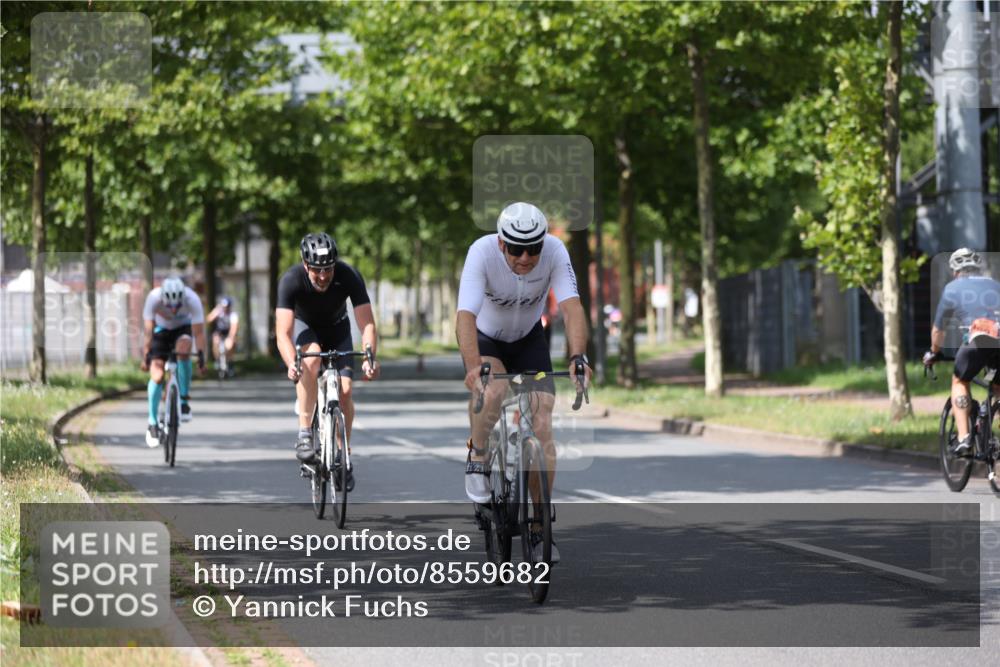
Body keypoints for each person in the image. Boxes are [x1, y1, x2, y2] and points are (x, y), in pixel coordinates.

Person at [456, 202, 592, 563]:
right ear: (502, 243)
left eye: (534, 248)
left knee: (542, 418)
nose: (526, 257)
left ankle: (538, 525)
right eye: (517, 249)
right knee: (495, 389)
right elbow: (465, 316)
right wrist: (473, 366)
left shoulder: (556, 252)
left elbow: (572, 307)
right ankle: (479, 456)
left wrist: (578, 356)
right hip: (487, 339)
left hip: (530, 339)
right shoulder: (481, 253)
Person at [275, 232, 380, 490]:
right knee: (309, 361)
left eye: (328, 270)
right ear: (305, 265)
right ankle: (304, 434)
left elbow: (366, 323)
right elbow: (282, 333)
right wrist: (292, 362)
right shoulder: (291, 280)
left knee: (345, 391)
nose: (323, 276)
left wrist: (369, 356)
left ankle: (343, 454)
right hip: (305, 328)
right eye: (317, 271)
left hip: (337, 329)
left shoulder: (349, 275)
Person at [923, 248, 1000, 455]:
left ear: (955, 271)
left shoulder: (952, 289)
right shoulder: (995, 285)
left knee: (960, 381)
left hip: (980, 339)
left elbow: (938, 330)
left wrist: (934, 352)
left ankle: (965, 438)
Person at [141, 276, 206, 447]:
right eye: (170, 306)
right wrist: (146, 355)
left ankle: (183, 400)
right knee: (157, 374)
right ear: (163, 299)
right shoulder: (153, 298)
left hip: (182, 329)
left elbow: (199, 333)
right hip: (160, 330)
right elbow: (148, 331)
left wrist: (201, 355)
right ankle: (152, 422)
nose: (174, 310)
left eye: (178, 305)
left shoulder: (192, 299)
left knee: (184, 350)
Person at [207, 296, 240, 375]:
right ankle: (218, 360)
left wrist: (230, 338)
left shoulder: (233, 315)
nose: (225, 309)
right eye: (224, 307)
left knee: (230, 345)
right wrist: (215, 312)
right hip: (219, 333)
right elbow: (208, 319)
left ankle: (230, 362)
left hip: (228, 333)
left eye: (227, 307)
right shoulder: (219, 312)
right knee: (215, 340)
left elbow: (234, 328)